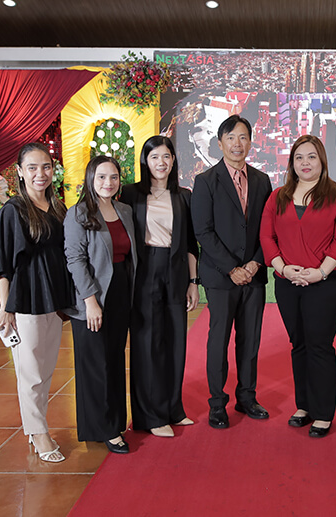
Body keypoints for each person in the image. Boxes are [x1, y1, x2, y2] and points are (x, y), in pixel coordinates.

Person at [260, 135, 336, 438]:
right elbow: (266, 237)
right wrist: (282, 268)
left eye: (311, 156)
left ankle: (323, 412)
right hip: (287, 283)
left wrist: (321, 272)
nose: (305, 163)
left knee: (319, 345)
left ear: (322, 161)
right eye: (299, 157)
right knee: (298, 344)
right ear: (291, 162)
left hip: (326, 284)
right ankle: (304, 406)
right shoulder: (278, 197)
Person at [0, 142, 73, 463]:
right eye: (33, 168)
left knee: (46, 368)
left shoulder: (58, 207)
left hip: (53, 297)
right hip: (25, 299)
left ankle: (35, 425)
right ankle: (38, 433)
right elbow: (3, 264)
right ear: (20, 172)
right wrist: (5, 307)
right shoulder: (13, 210)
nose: (41, 173)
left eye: (46, 167)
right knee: (31, 372)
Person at [192, 115, 273, 429]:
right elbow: (203, 231)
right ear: (220, 143)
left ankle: (247, 397)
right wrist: (231, 268)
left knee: (250, 340)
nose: (237, 144)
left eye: (243, 137)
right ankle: (217, 403)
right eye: (231, 138)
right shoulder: (205, 181)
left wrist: (254, 263)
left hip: (253, 274)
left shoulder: (262, 180)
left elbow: (268, 228)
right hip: (220, 277)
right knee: (219, 340)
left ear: (250, 142)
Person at [119, 136, 200, 438]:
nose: (161, 163)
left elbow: (190, 243)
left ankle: (173, 409)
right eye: (154, 157)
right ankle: (150, 416)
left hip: (176, 270)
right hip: (145, 271)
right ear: (145, 161)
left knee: (176, 341)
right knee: (148, 343)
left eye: (166, 156)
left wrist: (193, 282)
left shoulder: (184, 196)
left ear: (173, 160)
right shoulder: (131, 194)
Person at [64, 156, 137, 454]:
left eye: (114, 177)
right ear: (90, 179)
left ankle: (113, 422)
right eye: (102, 177)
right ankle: (105, 428)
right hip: (93, 295)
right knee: (95, 364)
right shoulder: (78, 213)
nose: (108, 182)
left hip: (121, 291)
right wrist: (90, 300)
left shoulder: (124, 210)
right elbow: (75, 260)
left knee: (115, 359)